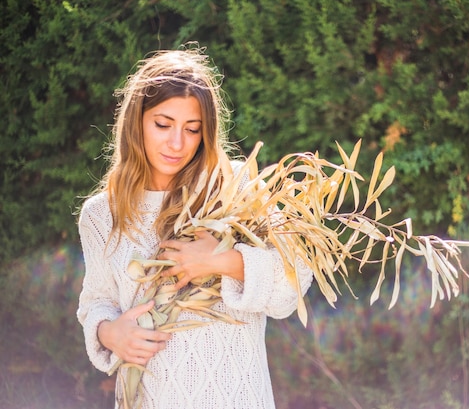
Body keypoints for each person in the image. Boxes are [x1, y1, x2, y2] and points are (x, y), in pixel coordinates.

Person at [76, 47, 313, 409]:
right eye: (163, 124)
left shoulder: (237, 188)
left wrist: (224, 262)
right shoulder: (101, 214)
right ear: (136, 121)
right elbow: (97, 301)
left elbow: (296, 280)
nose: (177, 143)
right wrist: (109, 333)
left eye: (192, 129)